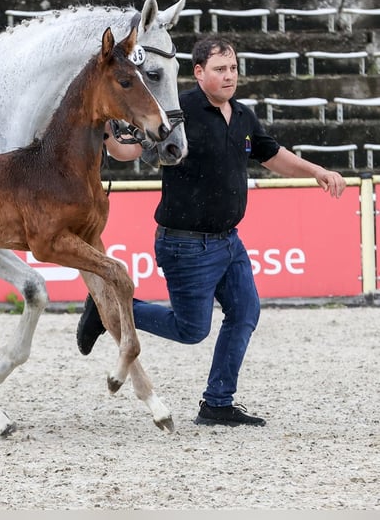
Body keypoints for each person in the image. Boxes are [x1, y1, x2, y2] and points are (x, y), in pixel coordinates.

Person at [77, 34, 347, 427]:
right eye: (220, 69)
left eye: (233, 69)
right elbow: (128, 151)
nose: (229, 76)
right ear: (199, 71)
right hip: (185, 243)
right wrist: (105, 129)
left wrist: (318, 172)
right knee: (190, 330)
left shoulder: (242, 115)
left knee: (245, 311)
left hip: (228, 242)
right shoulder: (178, 107)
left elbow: (272, 155)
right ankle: (108, 310)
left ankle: (217, 403)